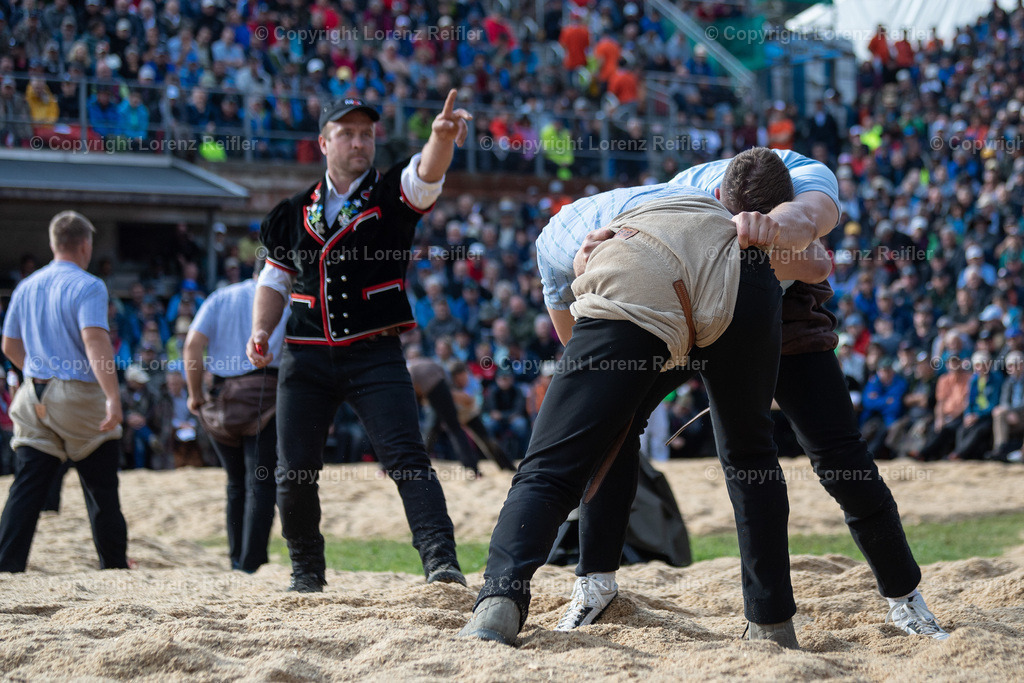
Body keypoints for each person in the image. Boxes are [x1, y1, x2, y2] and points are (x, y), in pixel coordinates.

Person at [536, 147, 949, 644]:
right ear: (714, 199)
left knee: (838, 453)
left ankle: (905, 599)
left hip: (780, 305)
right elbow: (578, 322)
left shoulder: (808, 181)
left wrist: (773, 231)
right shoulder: (680, 200)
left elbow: (818, 265)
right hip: (685, 301)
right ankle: (596, 583)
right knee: (614, 423)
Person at [460, 180, 793, 647]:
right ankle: (773, 623)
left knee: (552, 461)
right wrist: (771, 231)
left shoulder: (561, 243)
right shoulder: (740, 191)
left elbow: (573, 340)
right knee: (751, 456)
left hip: (635, 266)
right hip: (740, 269)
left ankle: (500, 601)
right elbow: (812, 250)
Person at [246, 91, 471, 592]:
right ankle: (306, 573)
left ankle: (441, 562)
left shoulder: (391, 194)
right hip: (303, 354)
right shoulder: (290, 212)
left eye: (366, 133)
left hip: (374, 353)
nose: (359, 141)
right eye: (346, 133)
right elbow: (274, 279)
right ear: (323, 142)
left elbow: (426, 176)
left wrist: (440, 138)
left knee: (407, 459)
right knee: (293, 472)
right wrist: (261, 329)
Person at [0, 211, 129, 573]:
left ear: (55, 243)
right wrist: (113, 398)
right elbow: (95, 342)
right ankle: (115, 567)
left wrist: (37, 369)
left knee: (26, 487)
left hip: (32, 394)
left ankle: (7, 566)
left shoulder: (27, 285)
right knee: (101, 487)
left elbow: (9, 345)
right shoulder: (89, 285)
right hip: (77, 394)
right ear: (85, 245)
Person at [184, 262, 286, 573]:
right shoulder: (286, 301)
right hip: (267, 395)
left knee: (235, 483)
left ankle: (236, 560)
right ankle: (251, 562)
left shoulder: (220, 297)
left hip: (221, 400)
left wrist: (195, 394)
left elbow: (192, 346)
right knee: (260, 482)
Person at [406, 353, 480, 475]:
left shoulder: (425, 368)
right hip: (424, 382)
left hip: (419, 383)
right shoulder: (440, 374)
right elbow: (459, 398)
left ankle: (417, 464)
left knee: (431, 429)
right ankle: (472, 467)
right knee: (453, 427)